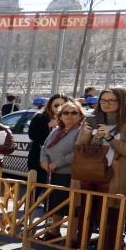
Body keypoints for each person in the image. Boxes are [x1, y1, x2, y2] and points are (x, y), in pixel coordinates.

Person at [66, 87, 126, 250]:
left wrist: (108, 136)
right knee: (86, 211)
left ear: (122, 102)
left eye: (111, 101)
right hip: (90, 172)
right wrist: (85, 133)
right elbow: (79, 145)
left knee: (109, 217)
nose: (106, 104)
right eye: (103, 100)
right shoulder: (93, 119)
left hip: (114, 176)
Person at [40, 100, 83, 241]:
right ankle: (54, 232)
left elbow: (78, 153)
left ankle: (72, 237)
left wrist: (57, 163)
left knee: (72, 208)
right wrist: (44, 161)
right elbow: (44, 148)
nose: (69, 115)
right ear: (60, 115)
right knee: (55, 205)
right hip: (53, 174)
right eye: (66, 112)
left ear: (80, 115)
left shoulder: (81, 131)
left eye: (74, 112)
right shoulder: (56, 131)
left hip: (71, 175)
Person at [27, 94, 71, 186]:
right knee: (35, 189)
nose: (59, 107)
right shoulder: (40, 118)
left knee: (55, 192)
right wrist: (48, 126)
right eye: (56, 105)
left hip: (61, 163)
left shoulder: (70, 119)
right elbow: (32, 135)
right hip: (39, 160)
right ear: (50, 106)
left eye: (62, 105)